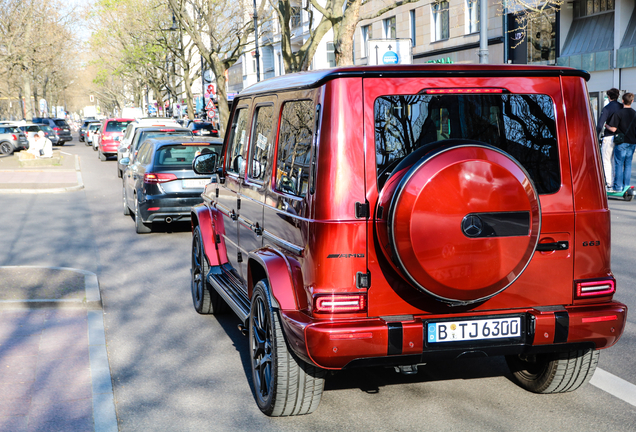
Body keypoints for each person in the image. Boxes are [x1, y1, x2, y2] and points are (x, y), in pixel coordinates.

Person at [606, 92, 636, 192]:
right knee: (628, 164)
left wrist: (607, 126)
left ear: (622, 101)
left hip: (621, 142)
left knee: (619, 164)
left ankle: (618, 187)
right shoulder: (635, 113)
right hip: (632, 143)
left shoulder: (618, 113)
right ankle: (626, 186)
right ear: (632, 101)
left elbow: (613, 129)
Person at [597, 88, 622, 189]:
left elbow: (600, 125)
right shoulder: (622, 107)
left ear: (609, 97)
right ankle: (618, 183)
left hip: (608, 137)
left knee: (606, 160)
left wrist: (595, 136)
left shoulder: (607, 108)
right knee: (617, 162)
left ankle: (609, 183)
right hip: (620, 138)